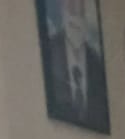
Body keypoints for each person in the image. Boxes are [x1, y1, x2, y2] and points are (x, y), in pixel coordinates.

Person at [43, 0, 110, 132]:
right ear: (62, 8)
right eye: (71, 6)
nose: (76, 14)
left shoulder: (96, 63)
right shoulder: (51, 50)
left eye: (82, 10)